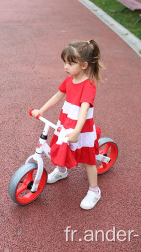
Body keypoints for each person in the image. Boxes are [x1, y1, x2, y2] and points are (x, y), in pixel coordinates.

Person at [31, 39, 104, 210]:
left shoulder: (89, 85)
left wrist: (77, 131)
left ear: (84, 65)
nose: (66, 66)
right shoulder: (69, 80)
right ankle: (62, 171)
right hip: (66, 121)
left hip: (81, 127)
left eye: (71, 63)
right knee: (61, 145)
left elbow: (84, 111)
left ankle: (94, 190)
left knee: (88, 159)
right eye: (65, 62)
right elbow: (57, 96)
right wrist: (41, 110)